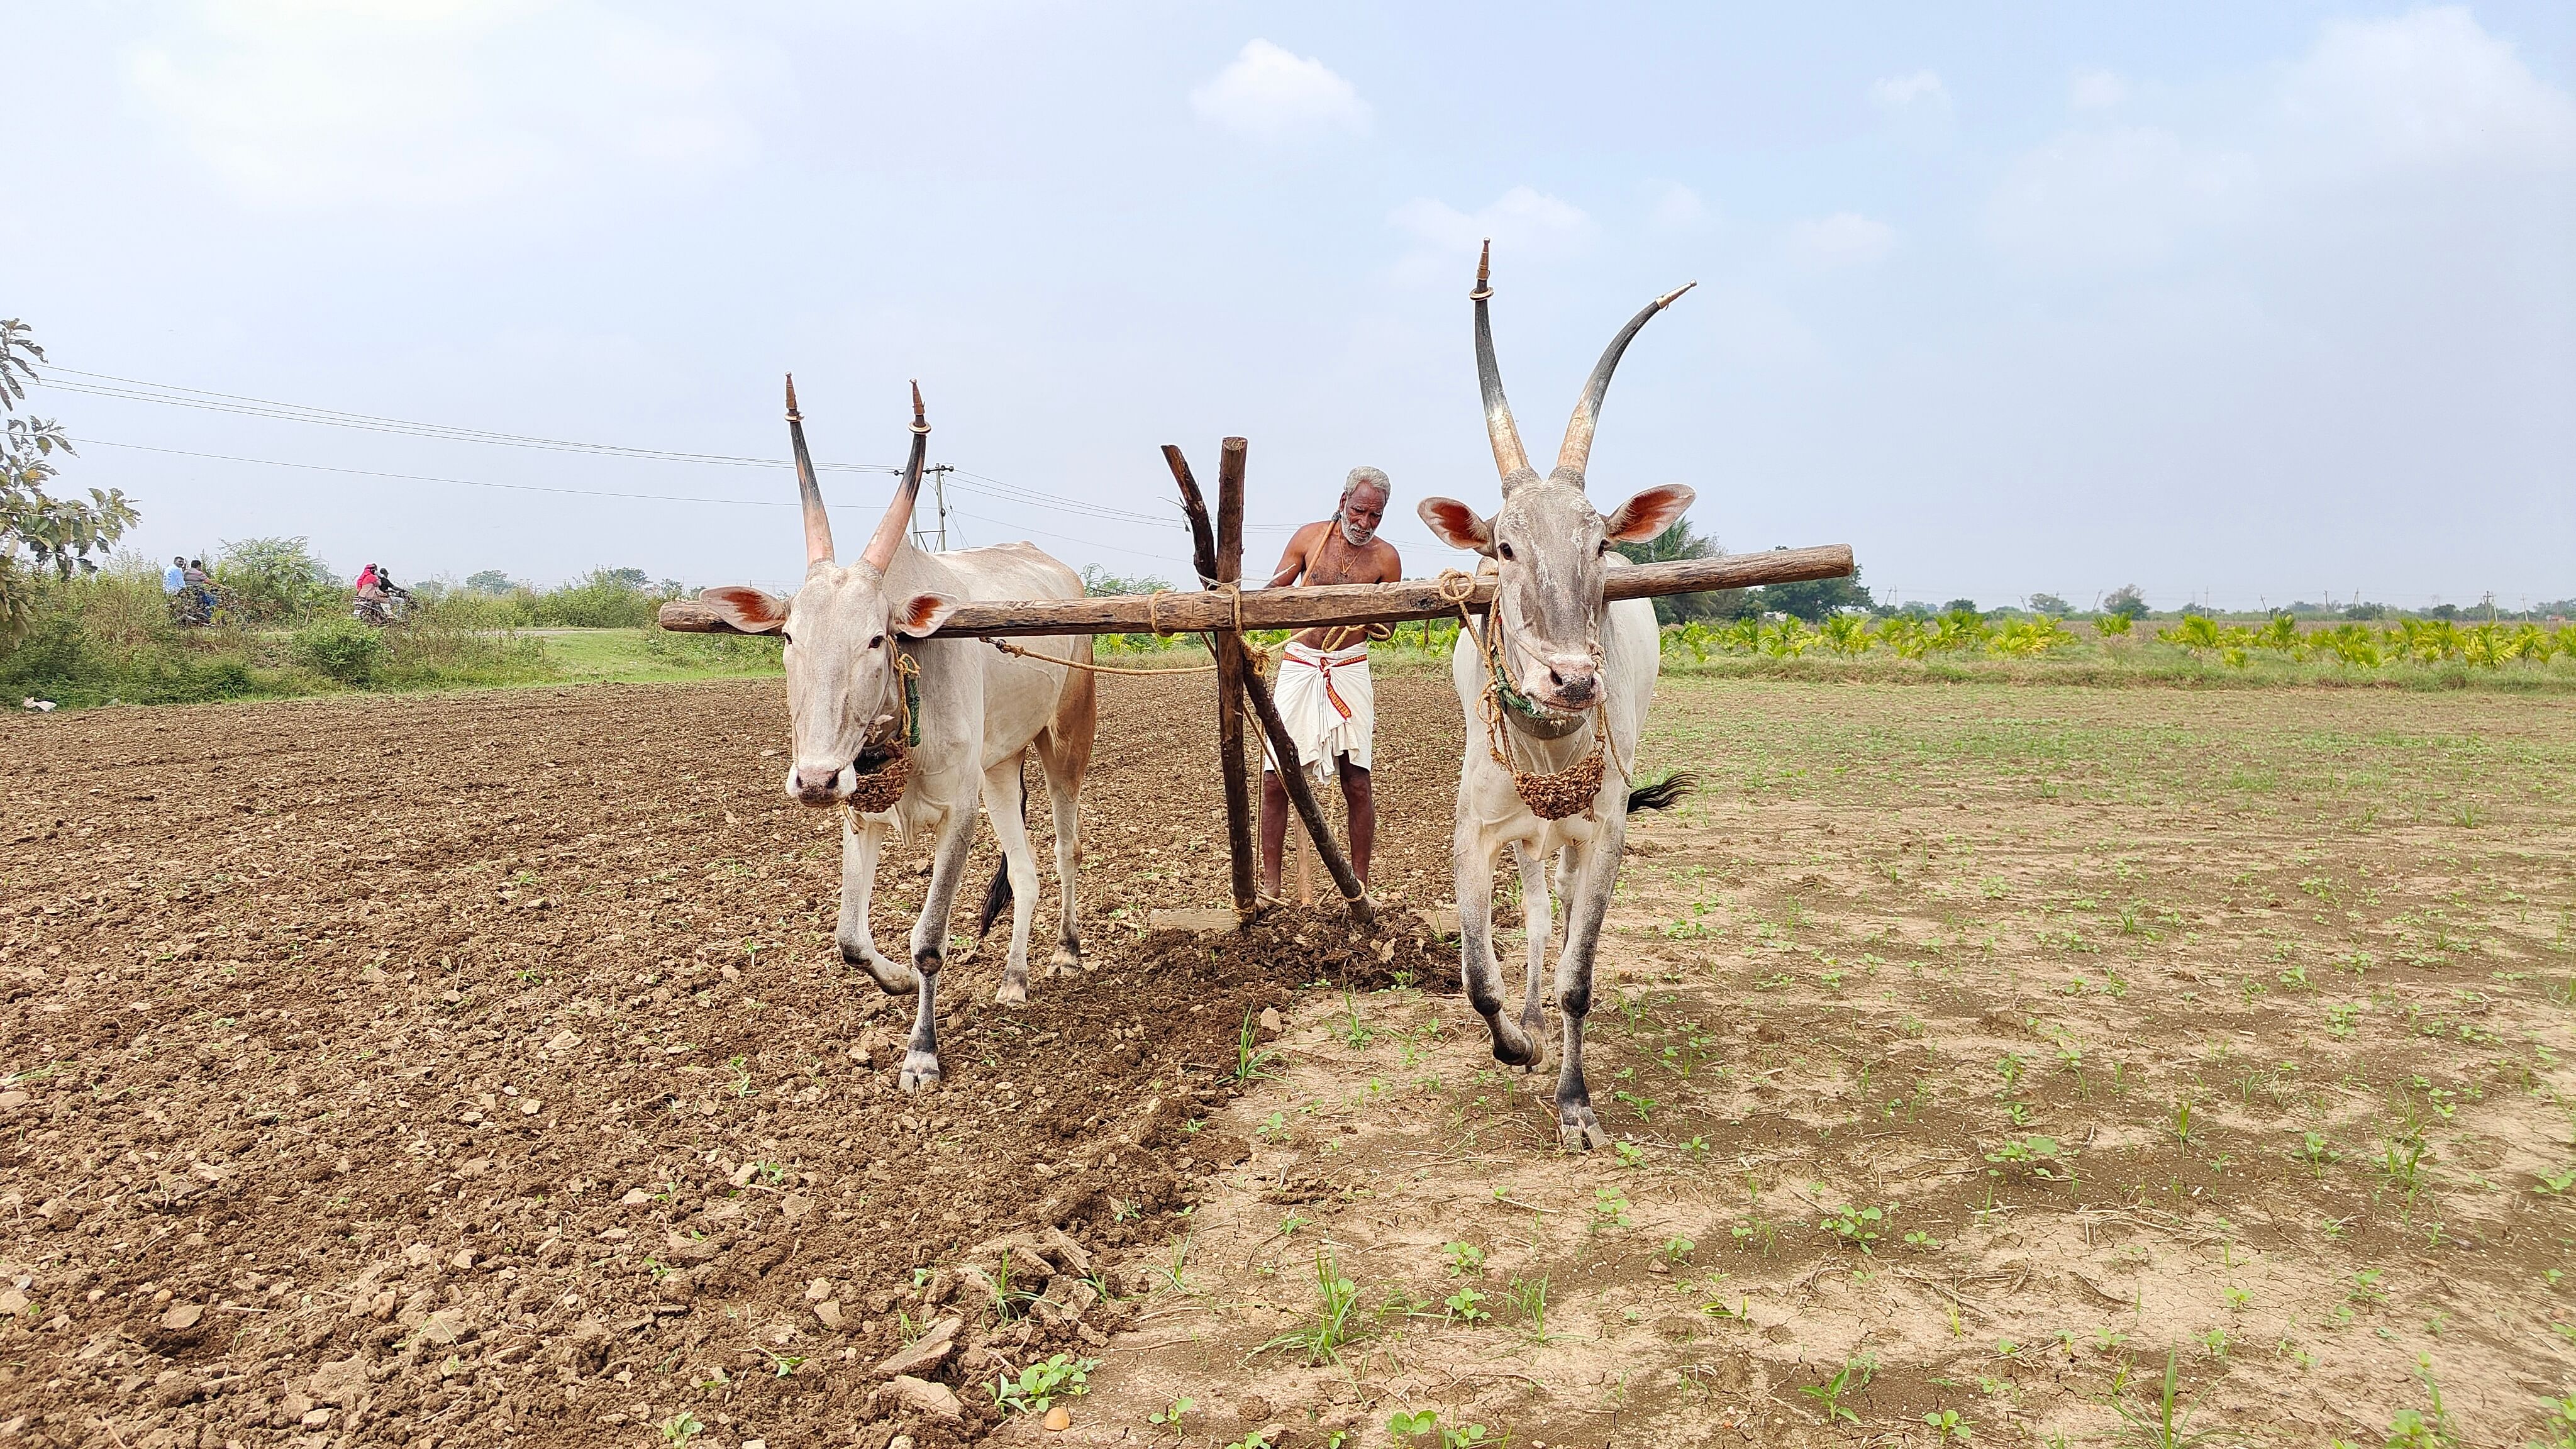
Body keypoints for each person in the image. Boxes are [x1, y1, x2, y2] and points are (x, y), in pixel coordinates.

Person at [1258, 466, 1402, 898]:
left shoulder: (1386, 559)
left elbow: (1389, 627)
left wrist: (1370, 617)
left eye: (1374, 516)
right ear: (1343, 502)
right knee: (1274, 776)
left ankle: (1359, 885)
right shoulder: (1309, 538)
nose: (1364, 523)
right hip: (1300, 662)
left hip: (1349, 665)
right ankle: (1271, 886)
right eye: (1358, 511)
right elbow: (1276, 589)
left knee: (1357, 779)